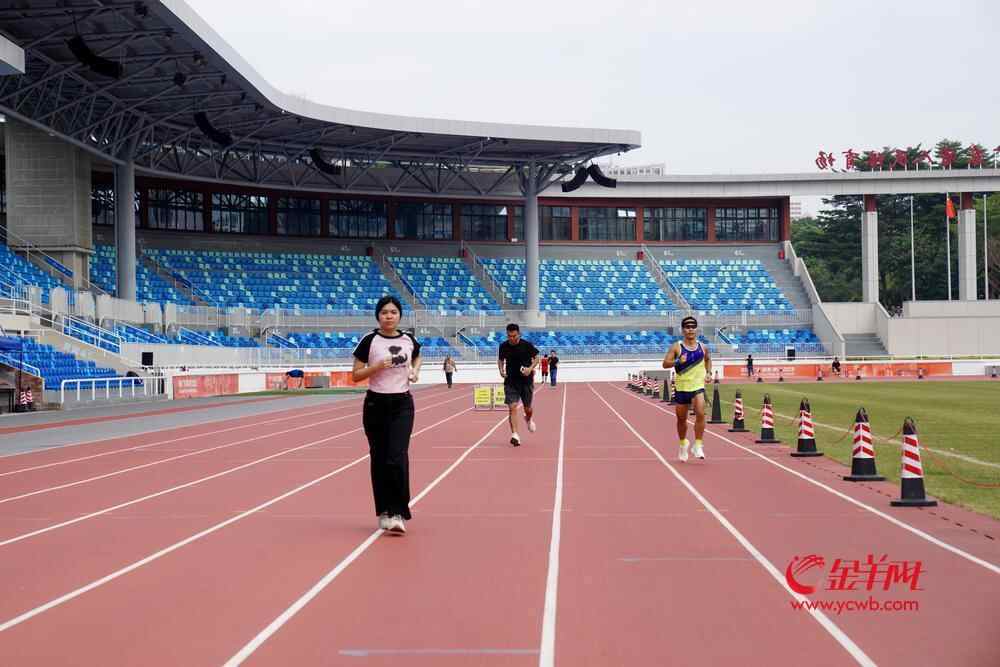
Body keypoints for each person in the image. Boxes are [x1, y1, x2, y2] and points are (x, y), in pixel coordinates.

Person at [352, 296, 422, 535]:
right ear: (378, 316)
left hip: (402, 404)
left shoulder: (408, 339)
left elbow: (417, 355)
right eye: (384, 312)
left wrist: (415, 371)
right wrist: (377, 367)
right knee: (380, 459)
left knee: (397, 456)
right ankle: (383, 510)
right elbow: (356, 375)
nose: (389, 316)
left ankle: (398, 512)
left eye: (393, 312)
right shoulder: (369, 340)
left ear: (400, 315)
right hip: (376, 404)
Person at [662, 316, 712, 461]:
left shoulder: (703, 347)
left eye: (693, 327)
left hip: (698, 386)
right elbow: (665, 364)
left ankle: (698, 445)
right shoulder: (676, 347)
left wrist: (708, 373)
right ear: (683, 330)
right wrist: (678, 361)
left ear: (696, 329)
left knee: (700, 413)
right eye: (687, 327)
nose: (690, 329)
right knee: (681, 420)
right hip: (682, 387)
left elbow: (708, 360)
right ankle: (683, 444)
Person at [498, 323, 539, 447]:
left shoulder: (527, 345)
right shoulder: (503, 346)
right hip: (511, 382)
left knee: (528, 408)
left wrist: (530, 369)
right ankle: (515, 435)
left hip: (526, 381)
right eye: (509, 336)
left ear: (519, 334)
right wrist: (501, 370)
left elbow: (537, 358)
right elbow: (500, 360)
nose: (512, 338)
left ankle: (528, 418)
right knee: (512, 407)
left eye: (514, 336)